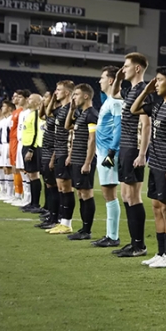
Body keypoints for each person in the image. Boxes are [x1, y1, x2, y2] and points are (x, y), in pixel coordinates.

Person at [131, 65, 166, 268]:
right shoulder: (157, 104)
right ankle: (161, 252)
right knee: (156, 207)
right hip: (155, 163)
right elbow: (134, 109)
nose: (156, 83)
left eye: (159, 80)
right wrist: (146, 90)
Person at [111, 53, 151, 257]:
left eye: (126, 66)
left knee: (133, 196)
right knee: (126, 195)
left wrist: (142, 153)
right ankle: (133, 242)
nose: (123, 69)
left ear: (137, 68)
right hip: (125, 148)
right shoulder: (132, 91)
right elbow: (114, 93)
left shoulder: (143, 90)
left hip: (135, 149)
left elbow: (146, 124)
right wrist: (118, 77)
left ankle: (139, 245)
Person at [92, 66, 123, 247]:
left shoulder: (116, 103)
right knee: (107, 194)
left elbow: (119, 128)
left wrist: (112, 152)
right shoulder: (108, 100)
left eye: (102, 78)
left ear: (111, 80)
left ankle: (113, 236)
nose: (99, 81)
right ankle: (110, 235)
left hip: (108, 154)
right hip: (102, 152)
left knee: (110, 194)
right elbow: (104, 91)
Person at [65, 84, 99, 240]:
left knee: (86, 193)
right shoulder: (81, 114)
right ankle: (83, 229)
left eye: (76, 94)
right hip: (77, 158)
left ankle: (87, 230)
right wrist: (72, 109)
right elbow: (67, 127)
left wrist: (88, 162)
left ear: (86, 96)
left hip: (84, 159)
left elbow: (92, 140)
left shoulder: (91, 114)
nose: (74, 97)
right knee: (80, 193)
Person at [46, 81, 77, 235]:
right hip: (58, 151)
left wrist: (70, 154)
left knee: (66, 187)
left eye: (58, 90)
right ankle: (61, 221)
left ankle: (67, 223)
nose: (55, 92)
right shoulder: (61, 110)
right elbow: (48, 111)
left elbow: (73, 133)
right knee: (60, 187)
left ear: (66, 93)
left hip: (66, 151)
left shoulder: (72, 109)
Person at [35, 92, 61, 229]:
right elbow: (41, 115)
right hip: (45, 151)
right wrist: (47, 102)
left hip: (51, 151)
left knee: (53, 186)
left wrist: (53, 157)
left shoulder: (58, 113)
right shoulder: (51, 113)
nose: (43, 99)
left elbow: (59, 137)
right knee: (49, 185)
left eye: (46, 97)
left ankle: (55, 218)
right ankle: (51, 215)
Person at [21, 94, 45, 212]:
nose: (28, 100)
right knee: (30, 175)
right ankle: (32, 202)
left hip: (32, 147)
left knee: (34, 175)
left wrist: (31, 149)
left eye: (30, 99)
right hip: (26, 145)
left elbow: (36, 133)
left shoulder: (36, 114)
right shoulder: (29, 114)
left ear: (36, 103)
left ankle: (35, 203)